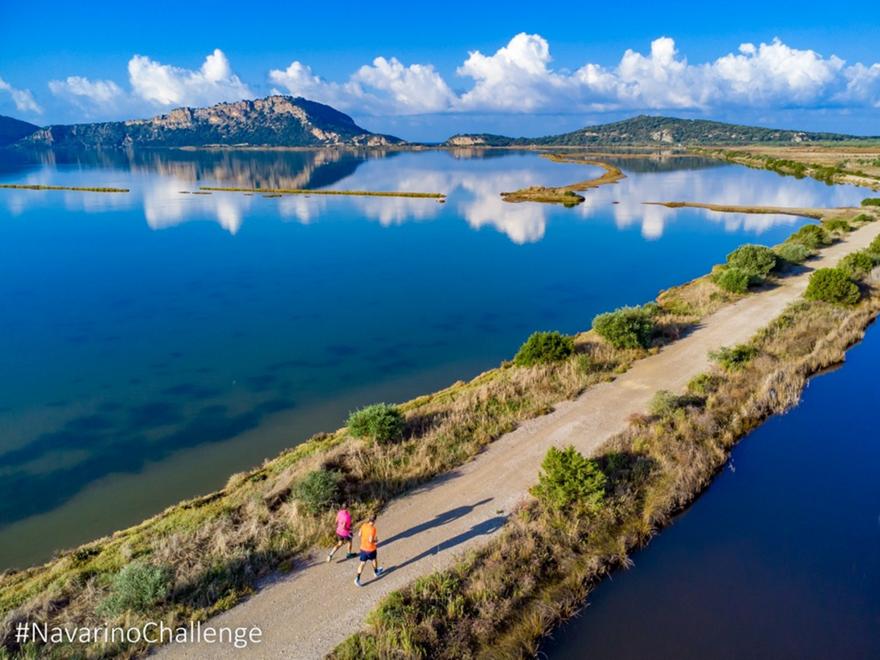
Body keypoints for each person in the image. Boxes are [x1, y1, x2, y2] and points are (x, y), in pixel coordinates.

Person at [354, 514, 384, 586]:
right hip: (371, 549)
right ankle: (376, 572)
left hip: (363, 548)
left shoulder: (364, 525)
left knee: (362, 563)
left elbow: (359, 534)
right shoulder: (373, 529)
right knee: (374, 559)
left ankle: (357, 578)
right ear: (374, 520)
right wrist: (375, 540)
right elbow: (371, 540)